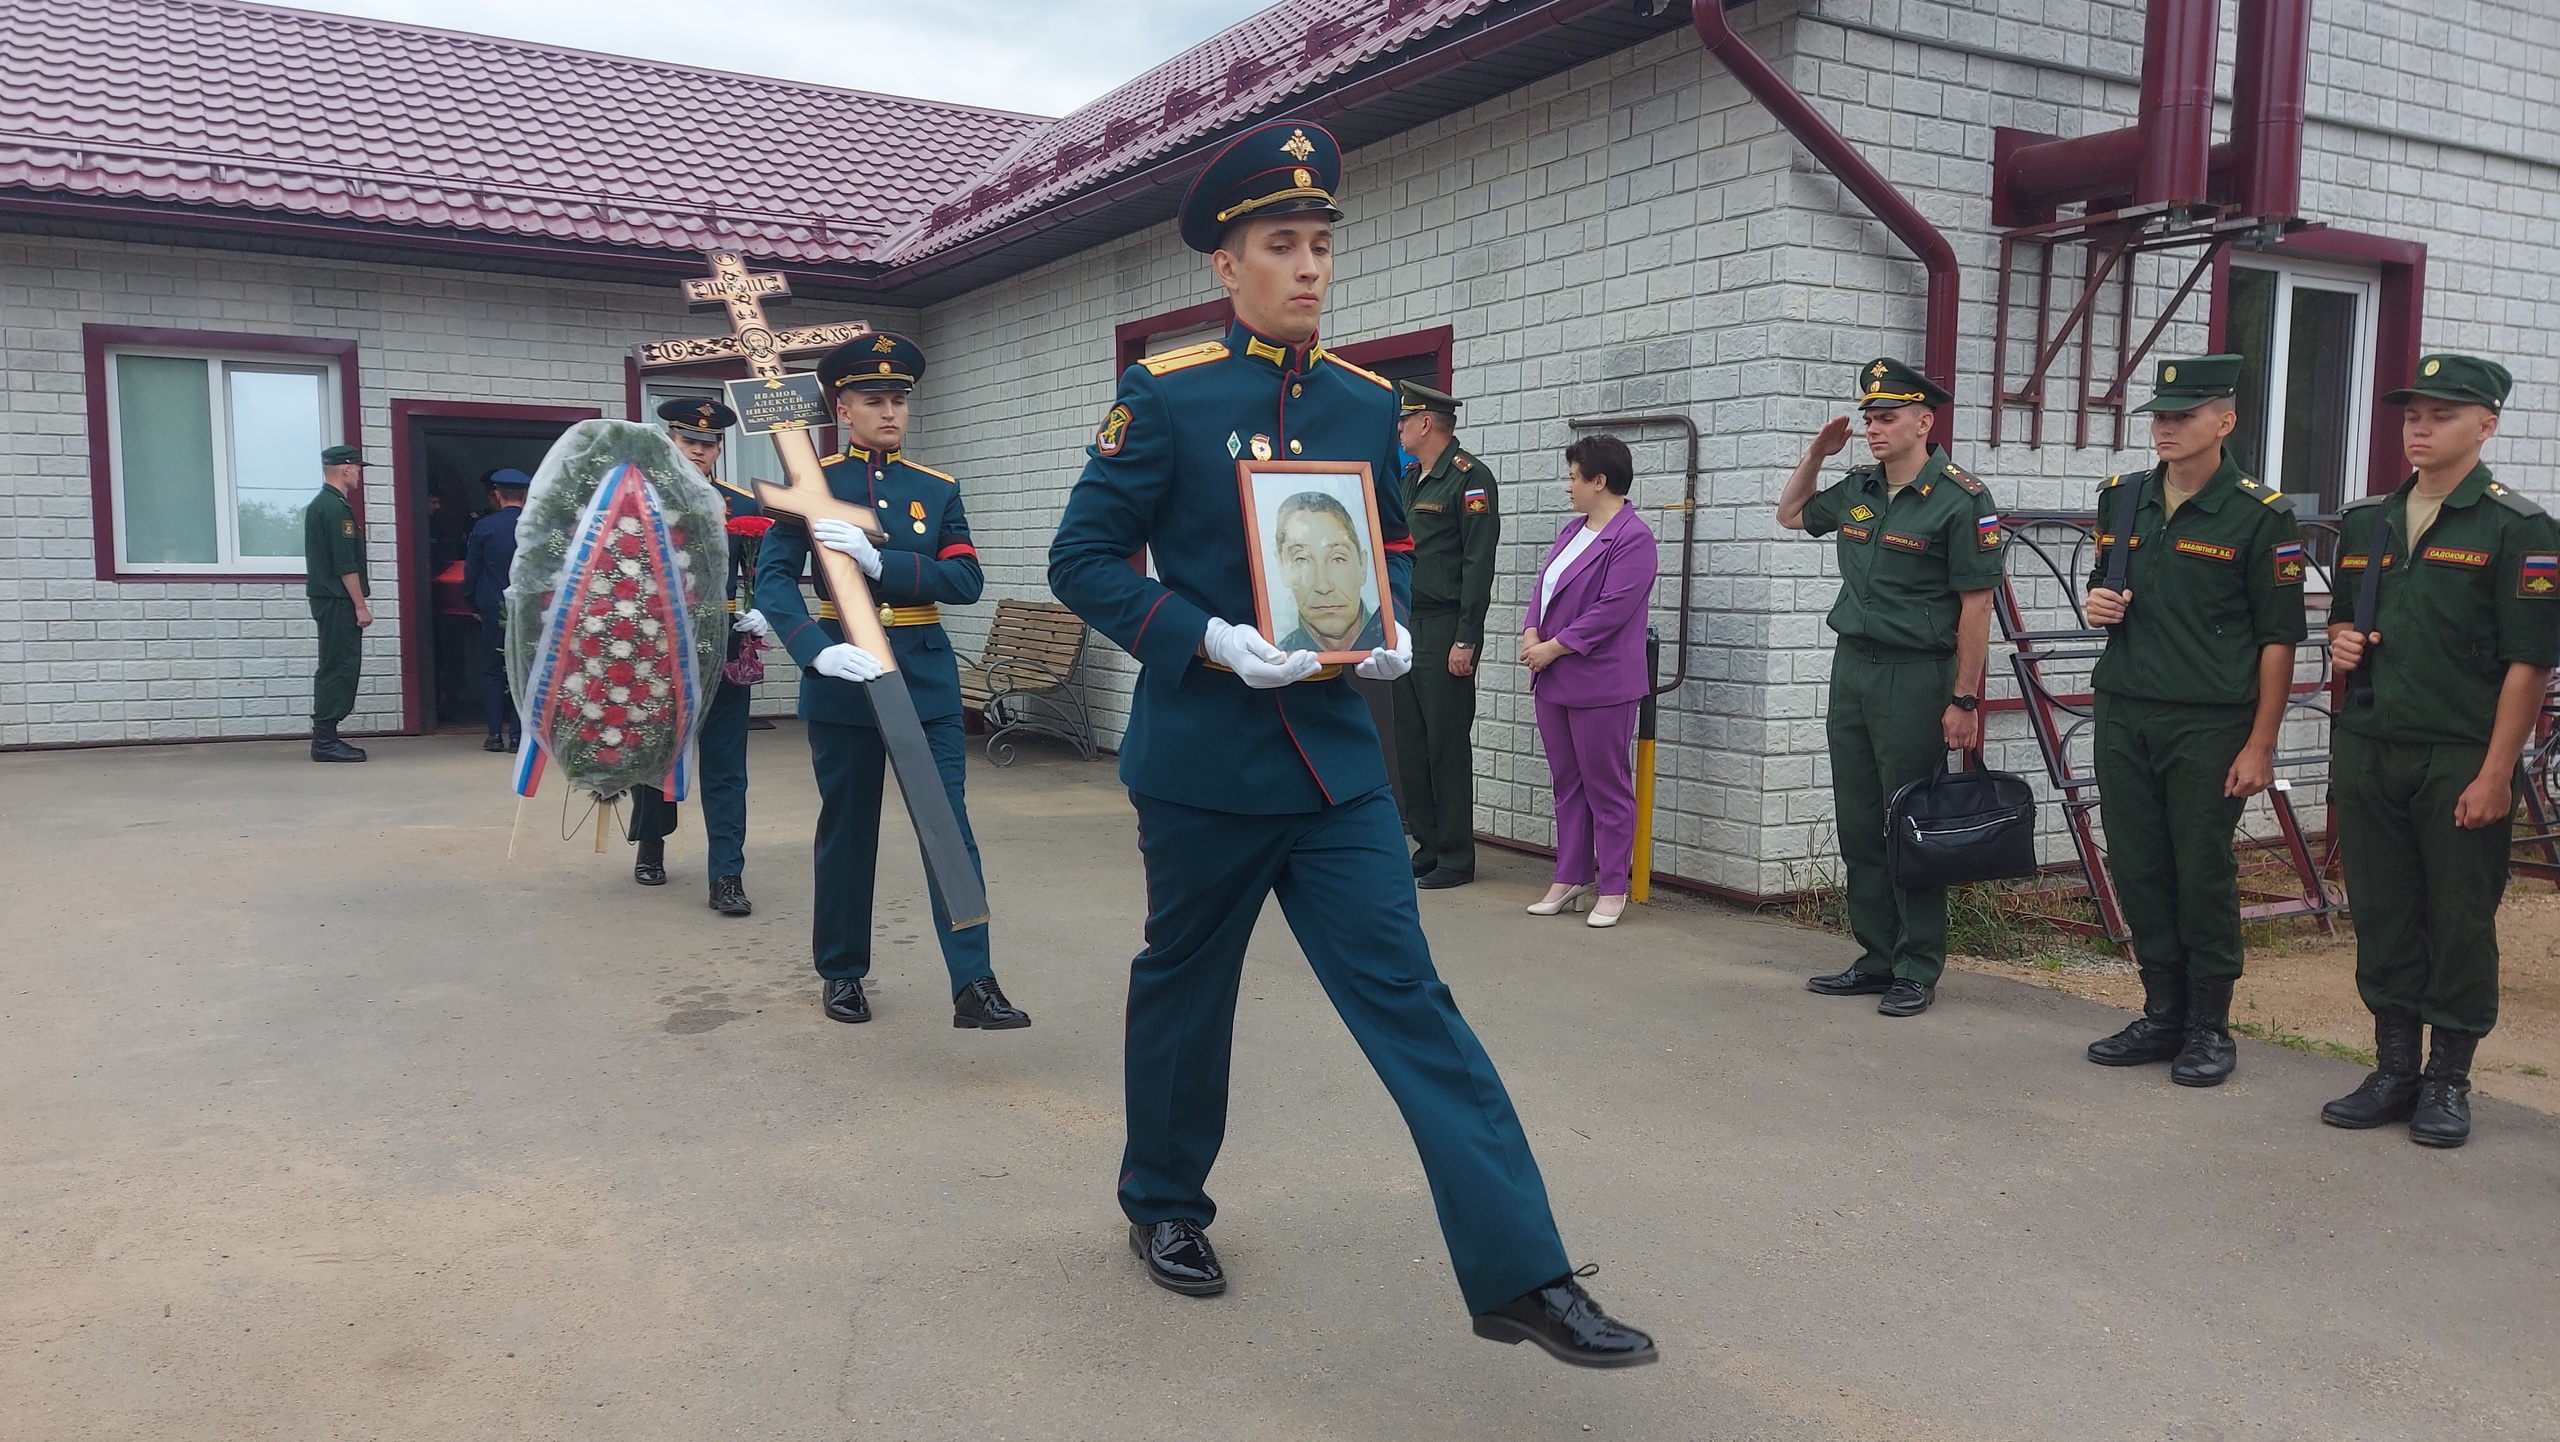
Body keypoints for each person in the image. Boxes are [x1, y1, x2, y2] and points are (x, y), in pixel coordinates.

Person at [1048, 116, 1655, 1368]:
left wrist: (1378, 625)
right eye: (1283, 244)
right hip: (1207, 766)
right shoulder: (1164, 395)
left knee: (1413, 1005)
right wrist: (1208, 637)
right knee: (1186, 993)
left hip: (1333, 764)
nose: (1311, 266)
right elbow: (1083, 561)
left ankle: (1525, 1273)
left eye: (1323, 243)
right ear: (1228, 266)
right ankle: (1162, 1201)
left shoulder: (1367, 402)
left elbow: (1381, 539)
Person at [757, 335, 1031, 1030]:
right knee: (848, 833)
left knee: (948, 830)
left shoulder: (937, 491)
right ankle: (842, 973)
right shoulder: (810, 487)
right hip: (846, 677)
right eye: (872, 400)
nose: (889, 412)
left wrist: (885, 563)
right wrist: (815, 651)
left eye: (898, 400)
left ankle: (975, 982)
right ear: (841, 407)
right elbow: (774, 582)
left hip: (924, 681)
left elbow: (965, 579)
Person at [2321, 354, 2557, 1148]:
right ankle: (2394, 1070)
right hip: (2370, 743)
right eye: (2413, 415)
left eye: (2443, 415)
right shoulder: (2367, 521)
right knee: (2383, 909)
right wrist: (2341, 642)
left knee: (2457, 919)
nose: (2420, 429)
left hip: (2461, 753)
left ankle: (2448, 1080)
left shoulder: (2520, 529)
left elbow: (2529, 665)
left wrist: (2500, 773)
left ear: (2486, 425)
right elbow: (2349, 623)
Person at [2080, 356, 2307, 1086]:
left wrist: (2262, 742)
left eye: (2183, 414)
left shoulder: (2261, 516)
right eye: (2159, 415)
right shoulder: (2122, 500)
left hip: (2210, 723)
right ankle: (2161, 1013)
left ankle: (2210, 1027)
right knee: (2140, 865)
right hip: (2125, 710)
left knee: (2200, 871)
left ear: (2225, 420)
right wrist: (2095, 604)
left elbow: (2279, 639)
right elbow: (2104, 585)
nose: (2167, 426)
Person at [1776, 358, 2004, 1018]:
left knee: (1908, 821)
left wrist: (1964, 699)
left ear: (1924, 422)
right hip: (1854, 668)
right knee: (1859, 818)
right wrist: (1817, 454)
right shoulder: (1858, 489)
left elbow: (1976, 607)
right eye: (1869, 418)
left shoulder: (1961, 498)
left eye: (1888, 417)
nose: (1873, 428)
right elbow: (1790, 514)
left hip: (1915, 674)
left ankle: (1917, 963)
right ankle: (1876, 956)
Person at [628, 399, 769, 916]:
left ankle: (726, 874)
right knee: (657, 756)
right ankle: (651, 841)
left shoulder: (742, 507)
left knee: (727, 764)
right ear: (671, 441)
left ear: (719, 449)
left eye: (708, 443)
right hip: (659, 650)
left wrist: (762, 611)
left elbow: (762, 574)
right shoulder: (641, 505)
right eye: (689, 440)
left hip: (726, 651)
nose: (698, 450)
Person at [1522, 435, 1657, 929]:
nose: (1568, 487)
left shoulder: (1634, 538)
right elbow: (1544, 588)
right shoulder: (1572, 530)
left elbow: (1612, 611)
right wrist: (1531, 630)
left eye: (1574, 477)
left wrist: (1552, 647)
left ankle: (1614, 885)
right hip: (1553, 676)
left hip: (1600, 681)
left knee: (1607, 786)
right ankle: (1571, 875)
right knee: (1567, 783)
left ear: (1600, 481)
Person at [1392, 380, 1498, 890]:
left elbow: (1478, 566)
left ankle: (1456, 855)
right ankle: (1428, 845)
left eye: (1404, 420)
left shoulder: (1469, 479)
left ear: (1426, 423)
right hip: (1408, 625)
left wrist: (1466, 638)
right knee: (1411, 742)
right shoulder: (1411, 479)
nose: (1399, 429)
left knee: (1446, 744)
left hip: (1443, 626)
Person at [303, 444, 373, 763]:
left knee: (336, 662)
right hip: (337, 600)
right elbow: (345, 564)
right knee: (339, 664)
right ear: (345, 469)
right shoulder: (335, 509)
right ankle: (326, 740)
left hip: (329, 598)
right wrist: (360, 605)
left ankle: (327, 736)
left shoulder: (324, 505)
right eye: (357, 468)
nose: (359, 474)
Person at [462, 468, 529, 754]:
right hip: (527, 609)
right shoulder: (536, 526)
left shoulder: (484, 526)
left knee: (492, 670)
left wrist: (471, 602)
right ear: (526, 496)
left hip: (493, 605)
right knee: (521, 671)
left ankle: (494, 735)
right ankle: (517, 736)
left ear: (498, 495)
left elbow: (472, 569)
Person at [1271, 490, 1386, 652]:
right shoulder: (1279, 654)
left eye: (1338, 559)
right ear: (1282, 569)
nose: (1323, 586)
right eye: (1301, 560)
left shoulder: (1391, 641)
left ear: (1363, 565)